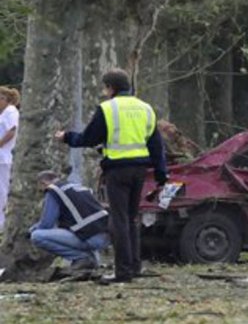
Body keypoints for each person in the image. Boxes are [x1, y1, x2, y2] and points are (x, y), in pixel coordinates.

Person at [55, 68, 168, 283]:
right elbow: (156, 144)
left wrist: (66, 137)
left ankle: (122, 272)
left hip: (117, 171)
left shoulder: (108, 108)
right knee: (132, 218)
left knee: (119, 221)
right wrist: (162, 174)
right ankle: (134, 266)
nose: (105, 92)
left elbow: (89, 137)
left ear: (111, 88)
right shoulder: (146, 108)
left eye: (105, 88)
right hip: (139, 171)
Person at [30, 170, 110, 270]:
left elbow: (47, 224)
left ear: (43, 183)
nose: (42, 193)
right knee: (81, 230)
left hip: (90, 237)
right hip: (106, 234)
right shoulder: (78, 187)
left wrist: (32, 229)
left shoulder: (54, 191)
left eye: (40, 190)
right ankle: (93, 261)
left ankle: (81, 258)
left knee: (37, 236)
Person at [0, 86, 20, 232]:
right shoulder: (4, 113)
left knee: (3, 190)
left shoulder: (11, 111)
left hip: (5, 157)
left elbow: (11, 131)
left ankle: (3, 224)